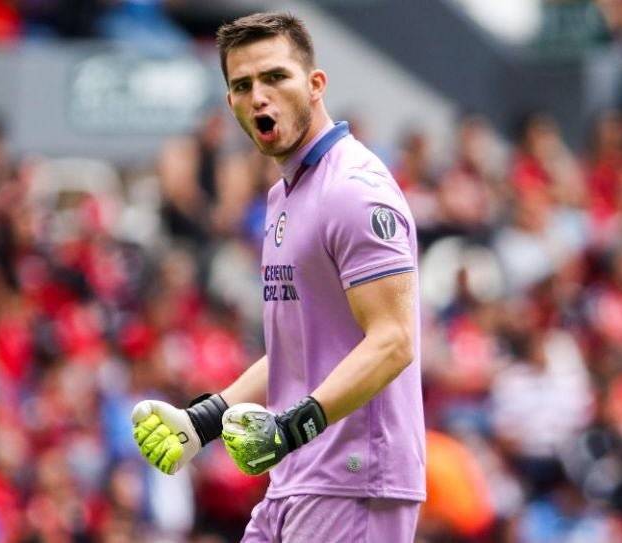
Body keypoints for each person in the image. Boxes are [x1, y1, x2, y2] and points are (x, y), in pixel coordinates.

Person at [131, 12, 425, 542]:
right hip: (297, 478)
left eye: (275, 77)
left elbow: (394, 340)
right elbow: (299, 345)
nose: (259, 96)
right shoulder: (284, 195)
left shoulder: (355, 190)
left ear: (315, 85)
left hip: (355, 482)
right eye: (243, 86)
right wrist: (205, 422)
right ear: (231, 105)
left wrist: (294, 427)